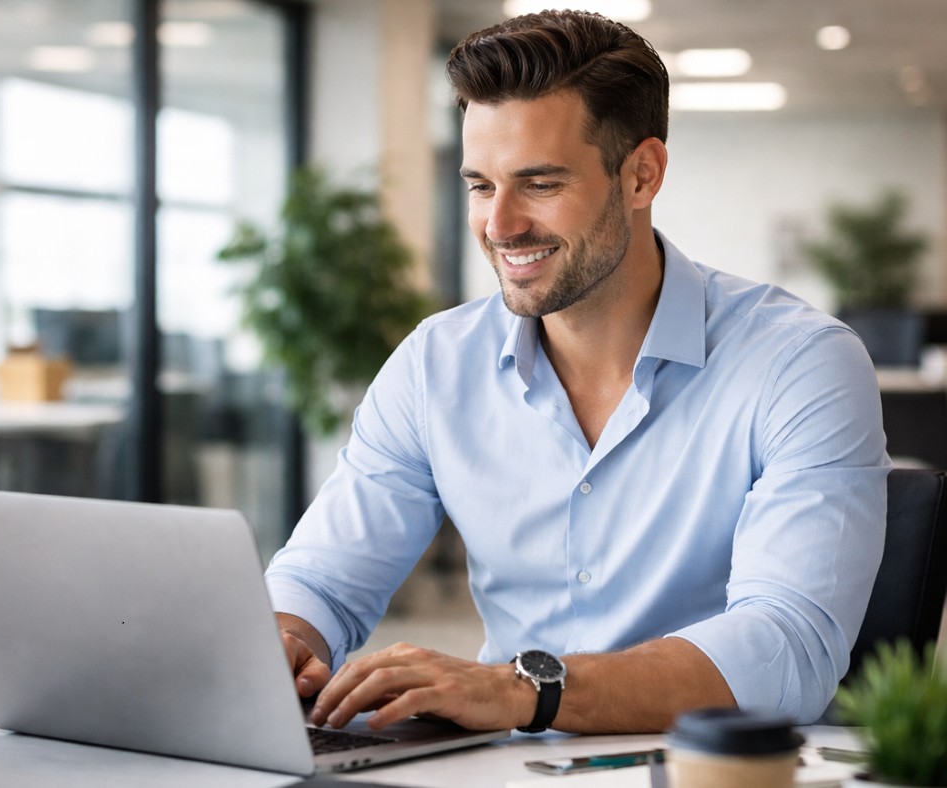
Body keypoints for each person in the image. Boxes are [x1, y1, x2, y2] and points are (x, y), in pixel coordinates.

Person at [265, 9, 888, 736]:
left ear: (641, 175)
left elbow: (789, 648)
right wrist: (285, 645)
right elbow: (321, 580)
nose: (499, 226)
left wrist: (527, 690)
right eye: (479, 185)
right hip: (502, 770)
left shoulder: (799, 363)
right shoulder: (436, 365)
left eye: (539, 183)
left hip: (713, 773)